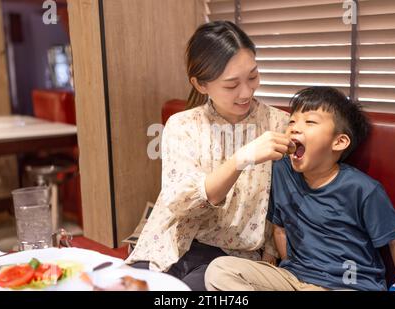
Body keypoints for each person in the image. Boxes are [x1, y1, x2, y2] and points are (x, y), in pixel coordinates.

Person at [125, 21, 293, 290]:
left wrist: (271, 256)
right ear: (200, 84)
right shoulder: (182, 125)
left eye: (253, 76)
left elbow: (286, 204)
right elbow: (182, 201)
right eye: (231, 85)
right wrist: (242, 158)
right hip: (168, 245)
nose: (246, 91)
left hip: (228, 257)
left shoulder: (279, 125)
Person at [205, 86, 395, 291]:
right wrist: (286, 267)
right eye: (292, 121)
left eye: (310, 122)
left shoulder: (362, 189)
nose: (295, 127)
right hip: (295, 279)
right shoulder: (282, 170)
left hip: (350, 282)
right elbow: (280, 228)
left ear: (339, 141)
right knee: (220, 270)